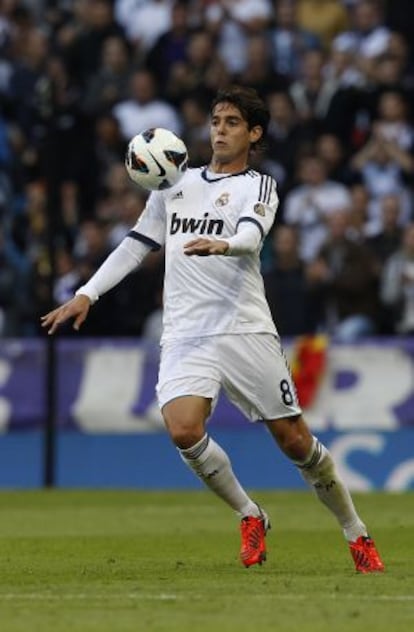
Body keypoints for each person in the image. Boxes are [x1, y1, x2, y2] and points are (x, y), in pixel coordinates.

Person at [41, 85, 384, 573]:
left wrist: (224, 246)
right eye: (216, 122)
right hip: (185, 332)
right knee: (183, 429)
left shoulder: (258, 185)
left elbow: (250, 235)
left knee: (295, 442)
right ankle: (250, 514)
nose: (219, 131)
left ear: (254, 133)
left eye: (231, 123)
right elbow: (136, 245)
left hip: (243, 328)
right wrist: (86, 293)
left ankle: (355, 531)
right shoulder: (172, 185)